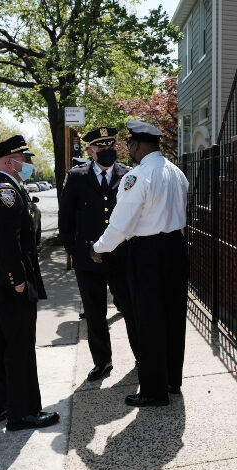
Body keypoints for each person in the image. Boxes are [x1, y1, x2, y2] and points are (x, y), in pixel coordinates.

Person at [91, 120, 189, 407]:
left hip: (148, 252)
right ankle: (172, 380)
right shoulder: (176, 172)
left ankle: (153, 391)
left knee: (149, 321)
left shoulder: (138, 176)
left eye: (130, 144)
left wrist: (98, 248)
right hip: (175, 248)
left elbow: (121, 224)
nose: (129, 150)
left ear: (136, 145)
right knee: (173, 318)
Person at [0, 135, 59, 431]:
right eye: (25, 160)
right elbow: (7, 245)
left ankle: (3, 404)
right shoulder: (4, 193)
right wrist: (18, 281)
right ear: (10, 161)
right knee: (19, 346)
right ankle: (23, 413)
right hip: (8, 285)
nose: (29, 165)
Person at [58, 127, 140, 381]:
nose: (108, 151)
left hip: (120, 257)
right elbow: (66, 219)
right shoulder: (76, 177)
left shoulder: (128, 174)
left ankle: (141, 355)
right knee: (95, 314)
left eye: (111, 146)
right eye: (102, 148)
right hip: (88, 260)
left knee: (130, 309)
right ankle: (102, 361)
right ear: (91, 150)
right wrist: (78, 253)